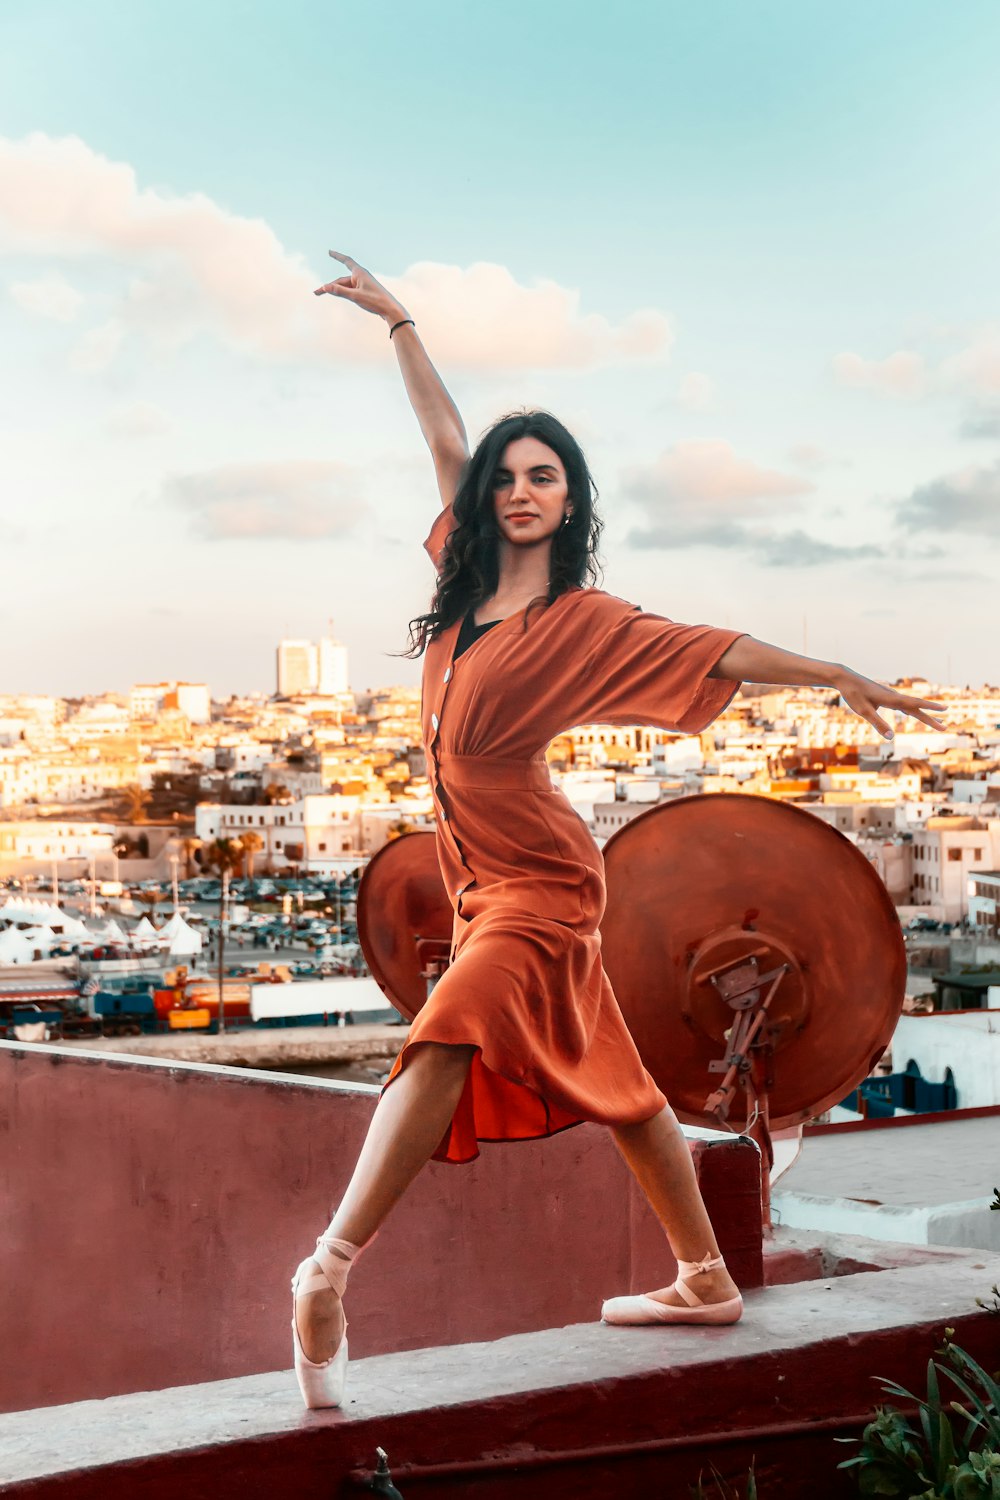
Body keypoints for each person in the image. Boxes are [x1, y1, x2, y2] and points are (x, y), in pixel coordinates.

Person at [290, 252, 946, 1409]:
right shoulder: (462, 581)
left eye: (543, 476)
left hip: (544, 881)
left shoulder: (580, 621)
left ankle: (329, 1267)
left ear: (571, 498)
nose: (517, 490)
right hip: (480, 879)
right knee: (625, 1083)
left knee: (446, 1030)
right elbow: (442, 433)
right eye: (506, 477)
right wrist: (401, 326)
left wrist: (832, 669)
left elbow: (714, 649)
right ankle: (703, 1276)